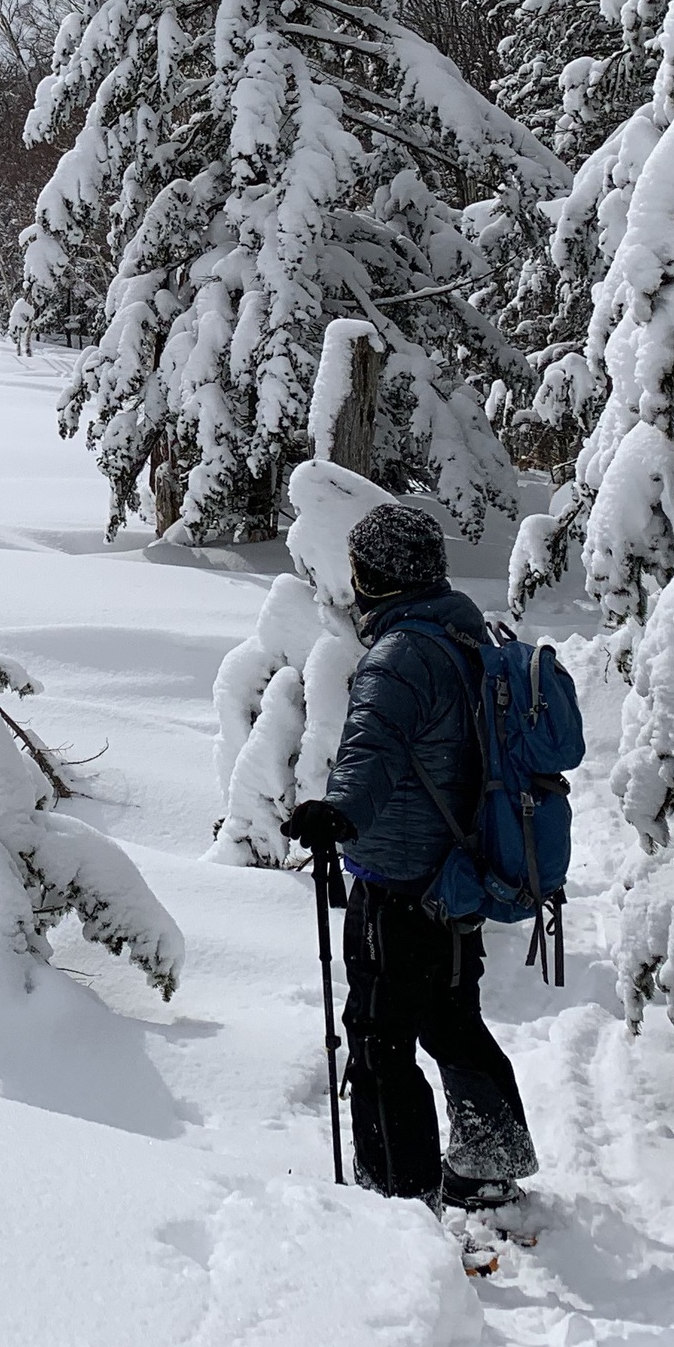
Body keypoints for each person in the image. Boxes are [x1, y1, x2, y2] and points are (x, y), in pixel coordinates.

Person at [280, 501, 537, 1213]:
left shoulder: (398, 657)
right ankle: (489, 1161)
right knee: (451, 1020)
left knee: (376, 1037)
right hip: (457, 877)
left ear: (378, 577)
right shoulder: (465, 635)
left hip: (399, 882)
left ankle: (396, 1196)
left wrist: (338, 814)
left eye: (359, 569)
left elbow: (371, 751)